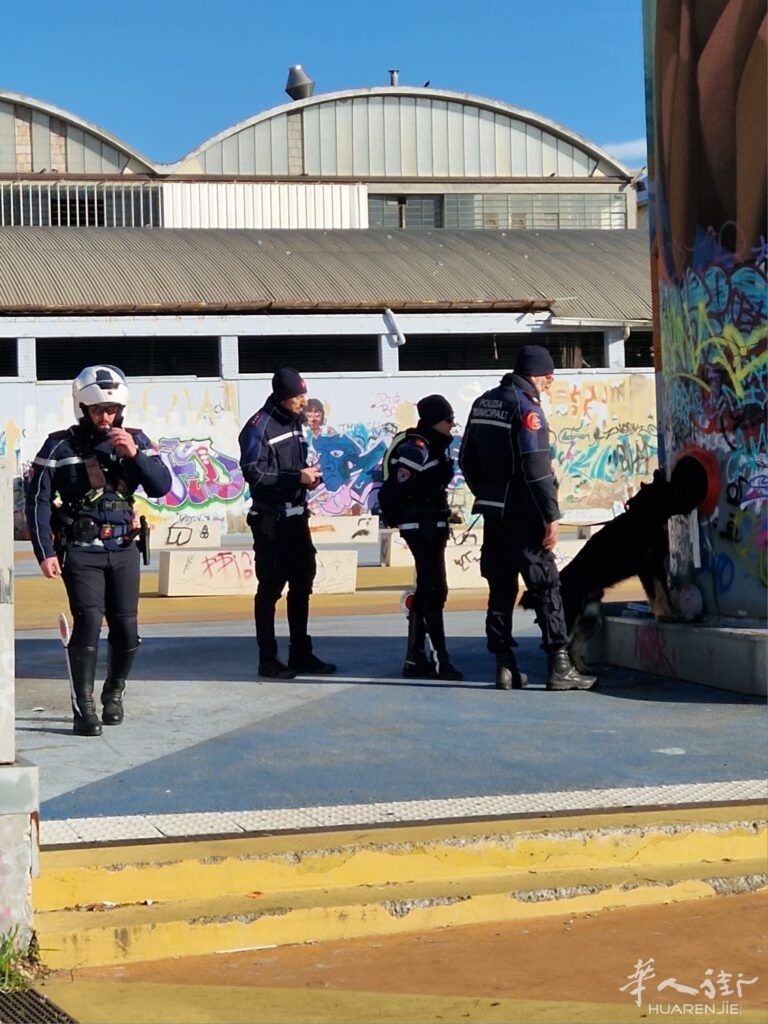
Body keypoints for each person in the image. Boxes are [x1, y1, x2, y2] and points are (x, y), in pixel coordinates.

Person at [25, 365, 172, 736]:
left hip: (123, 549)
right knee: (89, 621)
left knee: (126, 628)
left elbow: (161, 486)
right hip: (80, 551)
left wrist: (136, 455)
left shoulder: (135, 439)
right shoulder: (59, 446)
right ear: (83, 409)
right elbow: (38, 501)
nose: (105, 417)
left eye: (111, 410)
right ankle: (84, 706)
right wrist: (45, 551)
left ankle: (114, 692)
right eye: (97, 411)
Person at [458, 345, 597, 691]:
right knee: (546, 586)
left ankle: (504, 665)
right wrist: (551, 515)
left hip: (493, 513)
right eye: (550, 377)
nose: (550, 383)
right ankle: (559, 667)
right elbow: (536, 468)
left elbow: (465, 459)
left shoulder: (483, 403)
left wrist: (488, 493)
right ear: (540, 375)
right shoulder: (527, 408)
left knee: (500, 589)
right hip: (525, 514)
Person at [238, 367, 336, 680]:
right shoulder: (258, 427)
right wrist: (296, 477)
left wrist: (307, 477)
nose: (303, 401)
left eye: (303, 394)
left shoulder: (296, 422)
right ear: (282, 396)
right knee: (270, 588)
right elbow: (254, 472)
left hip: (297, 517)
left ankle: (301, 653)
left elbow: (291, 465)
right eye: (297, 396)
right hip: (270, 521)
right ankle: (268, 658)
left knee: (303, 583)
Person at [377, 394, 463, 681]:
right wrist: (405, 517)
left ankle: (415, 658)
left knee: (428, 590)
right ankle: (442, 660)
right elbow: (394, 489)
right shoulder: (418, 447)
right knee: (435, 591)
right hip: (421, 527)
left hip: (429, 524)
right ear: (434, 421)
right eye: (448, 419)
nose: (452, 425)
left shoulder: (434, 445)